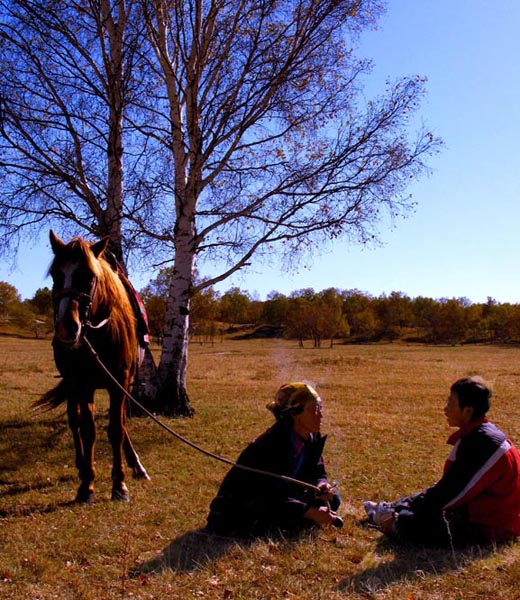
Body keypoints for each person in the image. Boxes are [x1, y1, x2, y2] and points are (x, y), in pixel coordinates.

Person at [364, 376, 520, 546]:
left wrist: (400, 512)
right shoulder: (479, 436)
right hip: (483, 515)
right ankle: (387, 512)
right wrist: (398, 505)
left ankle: (387, 518)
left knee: (408, 523)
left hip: (495, 526)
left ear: (467, 411)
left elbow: (451, 494)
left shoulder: (484, 443)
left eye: (451, 403)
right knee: (414, 514)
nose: (445, 409)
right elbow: (448, 487)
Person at [206, 382, 342, 537]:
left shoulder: (310, 436)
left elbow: (317, 471)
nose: (321, 415)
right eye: (314, 410)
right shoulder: (271, 445)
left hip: (283, 496)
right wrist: (311, 513)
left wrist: (322, 485)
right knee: (288, 521)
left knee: (334, 499)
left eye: (320, 408)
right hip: (247, 505)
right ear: (295, 414)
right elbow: (269, 497)